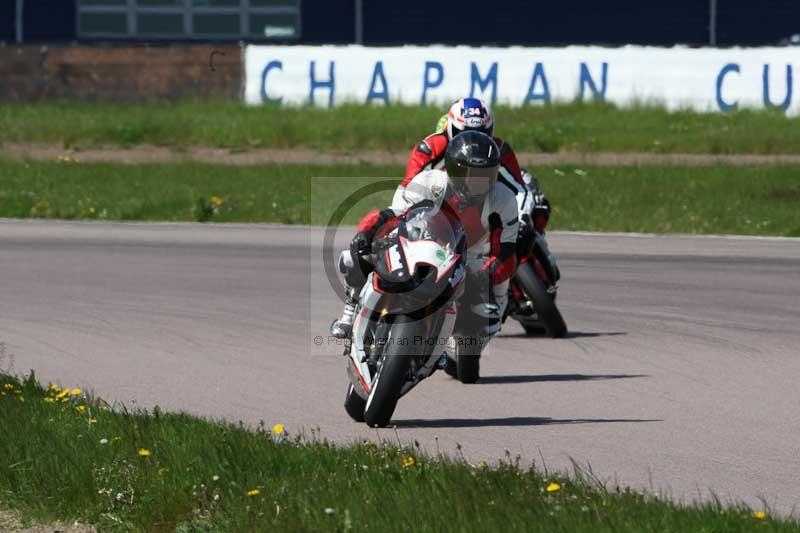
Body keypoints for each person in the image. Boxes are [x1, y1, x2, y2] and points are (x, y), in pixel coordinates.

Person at [330, 131, 519, 348]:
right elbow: (395, 214)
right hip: (419, 239)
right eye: (472, 175)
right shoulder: (430, 182)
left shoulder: (504, 199)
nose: (480, 183)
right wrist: (368, 232)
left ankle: (463, 347)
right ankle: (350, 308)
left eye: (487, 175)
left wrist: (488, 275)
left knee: (491, 310)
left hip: (470, 256)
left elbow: (505, 250)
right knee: (354, 255)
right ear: (454, 169)